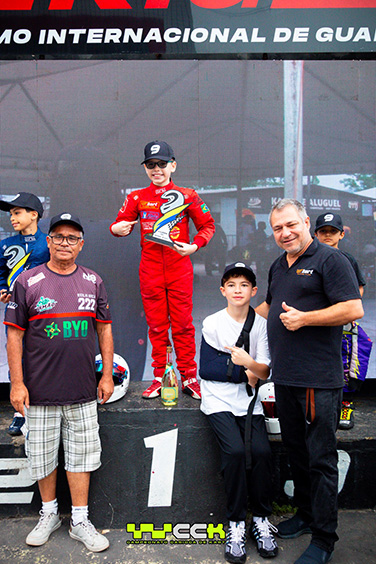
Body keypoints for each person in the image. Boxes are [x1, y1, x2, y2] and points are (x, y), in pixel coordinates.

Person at [255, 199, 363, 564]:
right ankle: (304, 514)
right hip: (284, 377)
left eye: (291, 225)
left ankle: (324, 539)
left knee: (321, 460)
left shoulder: (332, 260)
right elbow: (268, 308)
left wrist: (306, 319)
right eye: (277, 228)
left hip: (317, 379)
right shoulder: (278, 265)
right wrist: (235, 323)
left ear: (305, 222)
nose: (284, 233)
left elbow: (353, 308)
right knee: (297, 453)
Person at [4, 212, 114, 552]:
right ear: (48, 242)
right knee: (42, 455)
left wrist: (107, 375)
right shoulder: (27, 281)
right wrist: (17, 383)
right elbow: (13, 336)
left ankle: (80, 520)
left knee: (81, 456)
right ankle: (49, 513)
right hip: (39, 391)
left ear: (81, 245)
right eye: (58, 237)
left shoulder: (93, 281)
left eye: (72, 238)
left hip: (83, 390)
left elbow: (104, 328)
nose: (64, 243)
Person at [110, 141, 215, 399]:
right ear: (145, 168)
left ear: (173, 165)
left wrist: (194, 246)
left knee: (182, 325)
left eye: (162, 164)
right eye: (151, 164)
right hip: (150, 269)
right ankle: (160, 376)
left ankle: (189, 377)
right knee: (157, 326)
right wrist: (117, 229)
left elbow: (208, 226)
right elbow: (118, 224)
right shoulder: (137, 197)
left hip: (179, 268)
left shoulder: (188, 195)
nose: (157, 169)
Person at [200, 262, 278, 563]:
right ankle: (235, 523)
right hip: (218, 401)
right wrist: (243, 370)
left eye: (244, 285)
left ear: (253, 291)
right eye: (231, 284)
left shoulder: (261, 325)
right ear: (223, 290)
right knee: (233, 452)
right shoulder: (212, 323)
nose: (237, 290)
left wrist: (246, 362)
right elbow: (207, 368)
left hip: (249, 403)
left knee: (261, 452)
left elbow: (265, 370)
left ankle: (260, 519)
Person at [0, 192, 50, 437]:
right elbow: (1, 271)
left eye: (17, 212)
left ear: (34, 215)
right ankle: (20, 412)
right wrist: (2, 287)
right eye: (10, 214)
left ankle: (44, 406)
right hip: (15, 309)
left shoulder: (48, 242)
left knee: (45, 354)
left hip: (45, 310)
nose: (12, 218)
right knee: (16, 356)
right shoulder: (6, 244)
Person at [315, 212, 367, 430]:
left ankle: (346, 404)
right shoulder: (308, 259)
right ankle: (319, 410)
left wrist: (343, 308)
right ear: (316, 234)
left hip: (342, 325)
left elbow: (360, 289)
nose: (328, 235)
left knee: (346, 363)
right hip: (316, 325)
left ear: (341, 234)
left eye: (333, 232)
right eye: (323, 232)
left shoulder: (348, 260)